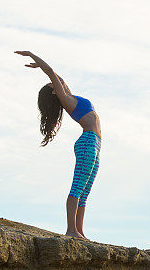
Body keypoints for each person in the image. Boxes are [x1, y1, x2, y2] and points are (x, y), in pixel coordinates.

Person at [15, 50, 101, 240]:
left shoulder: (69, 96)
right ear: (55, 92)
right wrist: (33, 56)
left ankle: (79, 231)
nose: (57, 82)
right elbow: (51, 72)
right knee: (78, 187)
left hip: (95, 143)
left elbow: (57, 77)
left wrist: (43, 68)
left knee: (85, 192)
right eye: (53, 84)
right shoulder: (66, 99)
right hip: (87, 142)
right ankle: (71, 230)